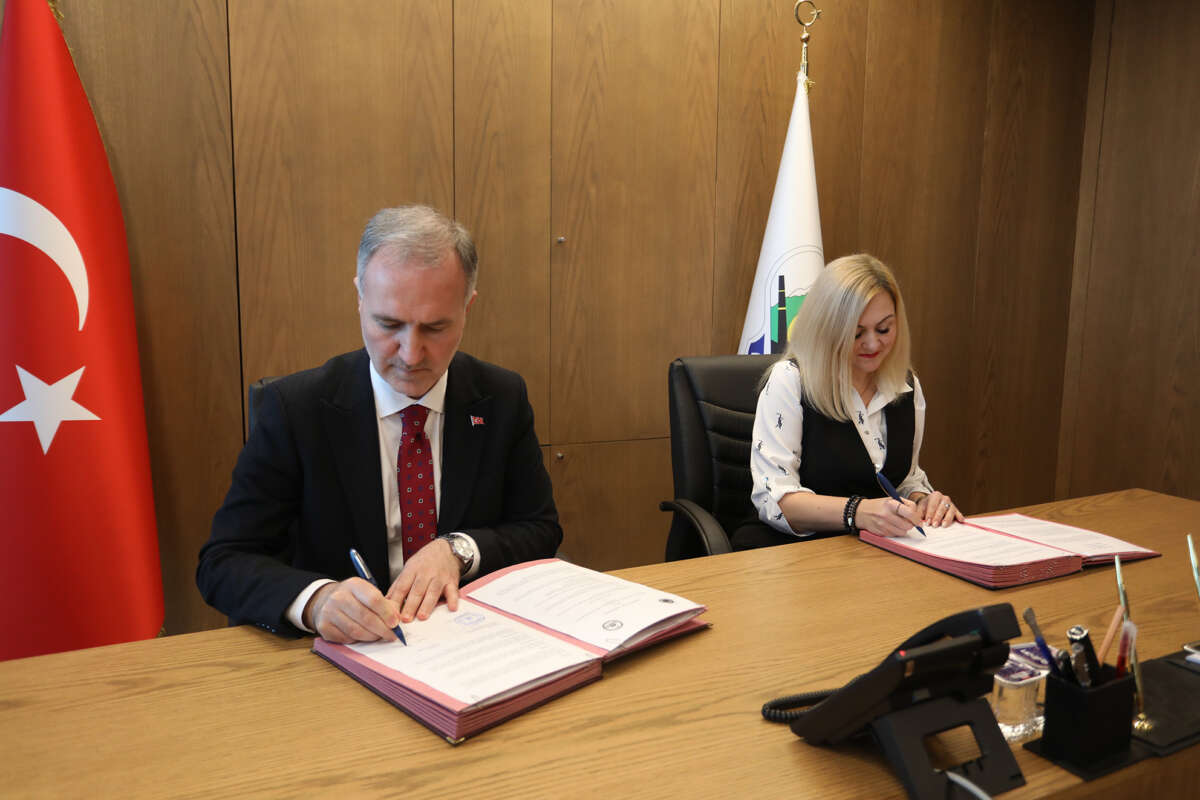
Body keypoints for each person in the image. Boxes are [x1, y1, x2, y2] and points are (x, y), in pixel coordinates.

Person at [197, 205, 561, 642]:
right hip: (341, 653)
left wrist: (457, 550)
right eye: (389, 324)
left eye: (435, 328)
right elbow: (224, 561)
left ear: (468, 308)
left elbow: (539, 529)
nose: (410, 354)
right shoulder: (296, 409)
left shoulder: (501, 397)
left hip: (468, 639)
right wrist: (316, 601)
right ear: (360, 298)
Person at [743, 253, 961, 549]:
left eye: (884, 329)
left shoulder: (906, 387)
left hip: (872, 551)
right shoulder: (791, 381)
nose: (872, 343)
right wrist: (857, 512)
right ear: (827, 329)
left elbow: (905, 479)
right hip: (794, 552)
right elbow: (775, 500)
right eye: (856, 333)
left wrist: (923, 501)